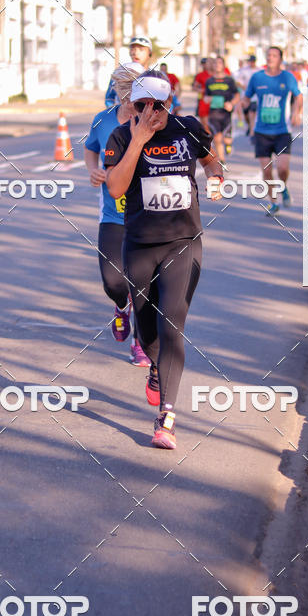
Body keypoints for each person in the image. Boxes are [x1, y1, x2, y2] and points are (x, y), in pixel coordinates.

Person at [105, 70, 224, 450]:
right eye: (141, 105)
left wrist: (215, 176)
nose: (149, 112)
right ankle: (155, 367)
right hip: (140, 243)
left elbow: (211, 160)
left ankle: (166, 417)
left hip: (183, 242)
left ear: (168, 104)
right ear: (133, 104)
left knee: (172, 323)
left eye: (157, 105)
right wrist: (139, 140)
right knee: (147, 327)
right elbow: (117, 187)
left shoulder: (187, 128)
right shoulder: (122, 136)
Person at [84, 62, 151, 365]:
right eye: (121, 86)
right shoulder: (103, 120)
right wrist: (93, 170)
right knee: (113, 282)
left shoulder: (150, 119)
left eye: (131, 86)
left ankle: (140, 342)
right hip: (112, 214)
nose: (125, 93)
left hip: (145, 215)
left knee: (144, 284)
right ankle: (120, 306)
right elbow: (90, 148)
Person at [243, 46, 302, 216]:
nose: (270, 58)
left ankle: (283, 187)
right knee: (267, 170)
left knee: (283, 168)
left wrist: (296, 114)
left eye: (274, 56)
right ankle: (273, 202)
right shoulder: (257, 77)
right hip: (262, 131)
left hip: (282, 130)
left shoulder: (287, 77)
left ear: (280, 59)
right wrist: (243, 103)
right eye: (268, 55)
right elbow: (247, 96)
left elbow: (298, 96)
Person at [204, 56, 240, 161]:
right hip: (214, 113)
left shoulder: (229, 80)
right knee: (217, 138)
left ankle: (229, 145)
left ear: (223, 65)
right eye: (215, 63)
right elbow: (206, 96)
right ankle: (222, 160)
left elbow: (237, 95)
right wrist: (207, 99)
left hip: (226, 114)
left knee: (227, 140)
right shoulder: (209, 81)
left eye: (219, 63)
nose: (217, 65)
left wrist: (232, 104)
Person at [105, 37, 152, 107]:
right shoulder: (119, 73)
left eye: (141, 49)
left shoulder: (155, 77)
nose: (135, 53)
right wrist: (117, 112)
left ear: (150, 53)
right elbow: (109, 99)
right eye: (133, 49)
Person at [234, 54, 258, 137]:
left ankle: (252, 130)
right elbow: (238, 82)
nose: (252, 63)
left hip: (255, 96)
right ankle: (249, 126)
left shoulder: (258, 70)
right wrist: (243, 87)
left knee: (252, 112)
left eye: (253, 61)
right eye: (250, 61)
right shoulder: (244, 70)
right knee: (246, 114)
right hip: (245, 96)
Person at [192, 57, 213, 131]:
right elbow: (194, 87)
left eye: (210, 62)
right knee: (205, 125)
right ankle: (209, 139)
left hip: (216, 101)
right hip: (204, 101)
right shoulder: (200, 75)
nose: (207, 65)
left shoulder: (218, 74)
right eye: (205, 63)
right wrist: (201, 90)